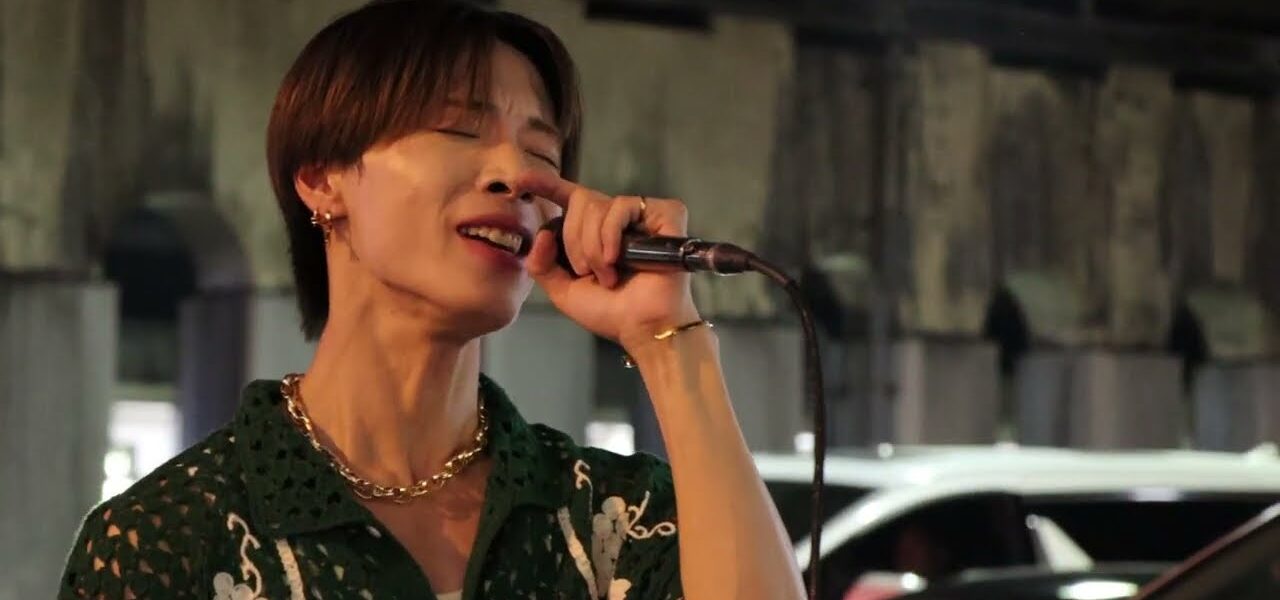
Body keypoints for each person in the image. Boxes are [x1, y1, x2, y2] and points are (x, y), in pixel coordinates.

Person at [58, 1, 804, 598]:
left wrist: (668, 342)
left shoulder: (614, 520)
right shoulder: (171, 536)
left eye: (541, 153)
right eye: (457, 130)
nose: (514, 175)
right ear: (322, 180)